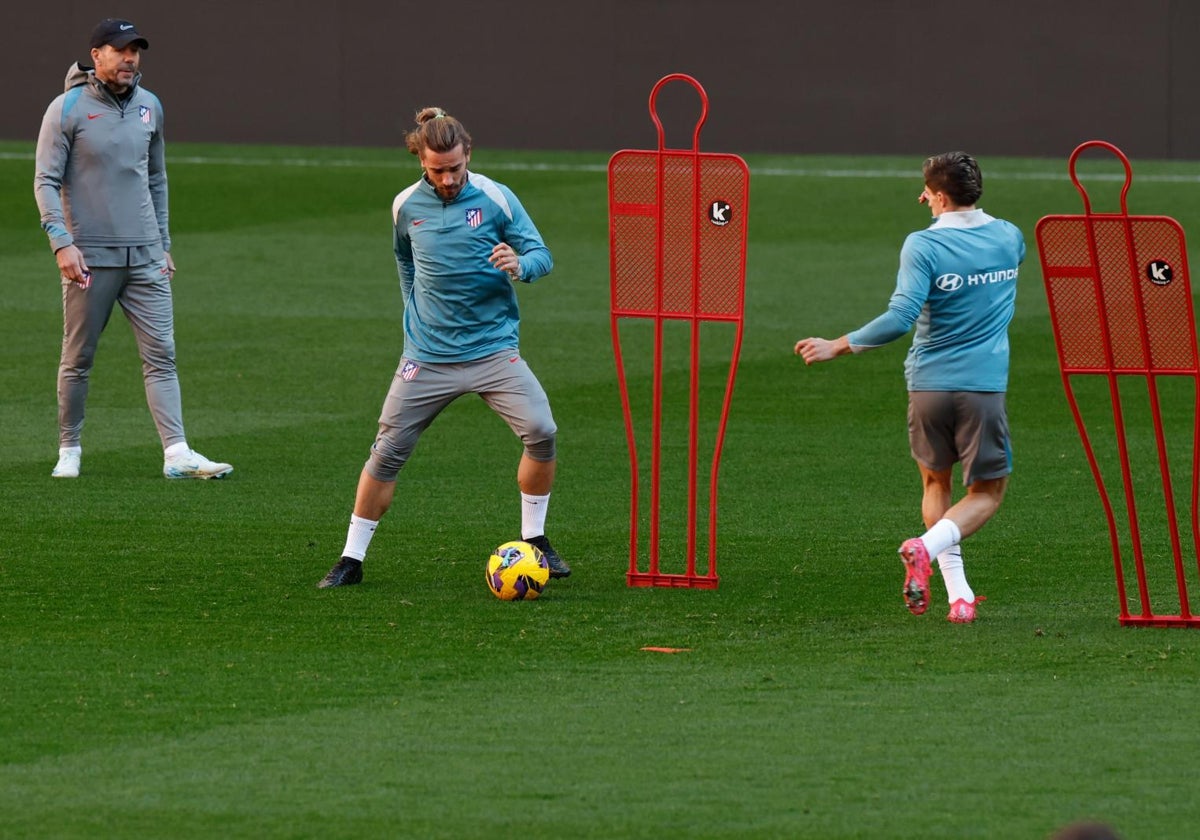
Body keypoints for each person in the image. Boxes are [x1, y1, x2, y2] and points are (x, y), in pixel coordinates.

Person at [318, 106, 570, 588]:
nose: (448, 178)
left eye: (455, 167)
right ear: (420, 162)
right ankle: (351, 559)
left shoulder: (497, 197)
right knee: (386, 453)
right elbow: (405, 264)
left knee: (541, 430)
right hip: (427, 358)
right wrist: (414, 319)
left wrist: (520, 264)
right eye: (437, 170)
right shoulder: (405, 206)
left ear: (468, 154)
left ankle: (535, 539)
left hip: (494, 350)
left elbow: (542, 255)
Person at [794, 151, 1024, 623]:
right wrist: (944, 204)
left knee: (936, 482)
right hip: (981, 386)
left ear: (937, 196)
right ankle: (924, 549)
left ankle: (959, 596)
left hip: (928, 385)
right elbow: (971, 228)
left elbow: (901, 317)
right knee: (986, 493)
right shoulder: (1010, 238)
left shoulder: (923, 246)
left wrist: (837, 345)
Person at [34, 19, 232, 480]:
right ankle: (70, 448)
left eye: (135, 51)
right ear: (96, 55)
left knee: (161, 355)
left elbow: (157, 178)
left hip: (145, 257)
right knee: (78, 358)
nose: (130, 59)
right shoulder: (66, 109)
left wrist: (162, 244)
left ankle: (177, 453)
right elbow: (45, 180)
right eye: (120, 50)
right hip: (90, 258)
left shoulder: (150, 107)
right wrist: (61, 244)